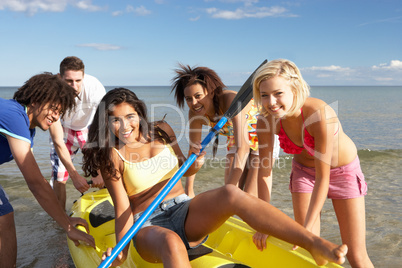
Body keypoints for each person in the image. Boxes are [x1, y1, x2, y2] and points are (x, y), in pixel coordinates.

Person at [82, 87, 347, 267]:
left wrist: (194, 164)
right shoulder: (112, 155)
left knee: (231, 193)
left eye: (129, 116)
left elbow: (182, 169)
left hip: (184, 209)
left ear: (138, 113)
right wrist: (122, 251)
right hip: (147, 224)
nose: (124, 126)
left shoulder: (161, 131)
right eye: (114, 120)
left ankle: (313, 243)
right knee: (171, 242)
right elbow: (123, 207)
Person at [252, 59, 373, 268]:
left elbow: (323, 177)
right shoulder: (265, 120)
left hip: (342, 172)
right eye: (264, 95)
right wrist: (265, 222)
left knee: (356, 254)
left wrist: (306, 228)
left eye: (278, 93)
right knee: (308, 249)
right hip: (303, 173)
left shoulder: (319, 114)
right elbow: (264, 172)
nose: (271, 102)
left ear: (295, 89)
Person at [0, 73, 95, 268]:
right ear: (35, 101)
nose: (55, 116)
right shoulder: (13, 115)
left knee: (4, 217)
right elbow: (35, 183)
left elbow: (36, 176)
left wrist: (64, 217)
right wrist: (67, 225)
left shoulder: (27, 128)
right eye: (53, 108)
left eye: (59, 112)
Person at [171, 64, 280, 198]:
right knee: (233, 191)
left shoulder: (229, 101)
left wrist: (227, 190)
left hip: (262, 134)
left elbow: (244, 148)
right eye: (188, 98)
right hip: (235, 138)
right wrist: (189, 190)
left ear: (210, 92)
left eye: (198, 96)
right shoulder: (195, 114)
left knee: (249, 195)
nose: (194, 103)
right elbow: (194, 151)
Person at [49, 56, 106, 210]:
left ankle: (108, 211)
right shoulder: (51, 93)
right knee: (59, 177)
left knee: (103, 174)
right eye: (69, 81)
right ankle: (59, 221)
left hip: (88, 129)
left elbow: (102, 125)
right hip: (64, 129)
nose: (74, 86)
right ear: (60, 77)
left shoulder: (95, 88)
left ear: (84, 76)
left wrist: (97, 170)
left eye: (78, 80)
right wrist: (74, 176)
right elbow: (57, 140)